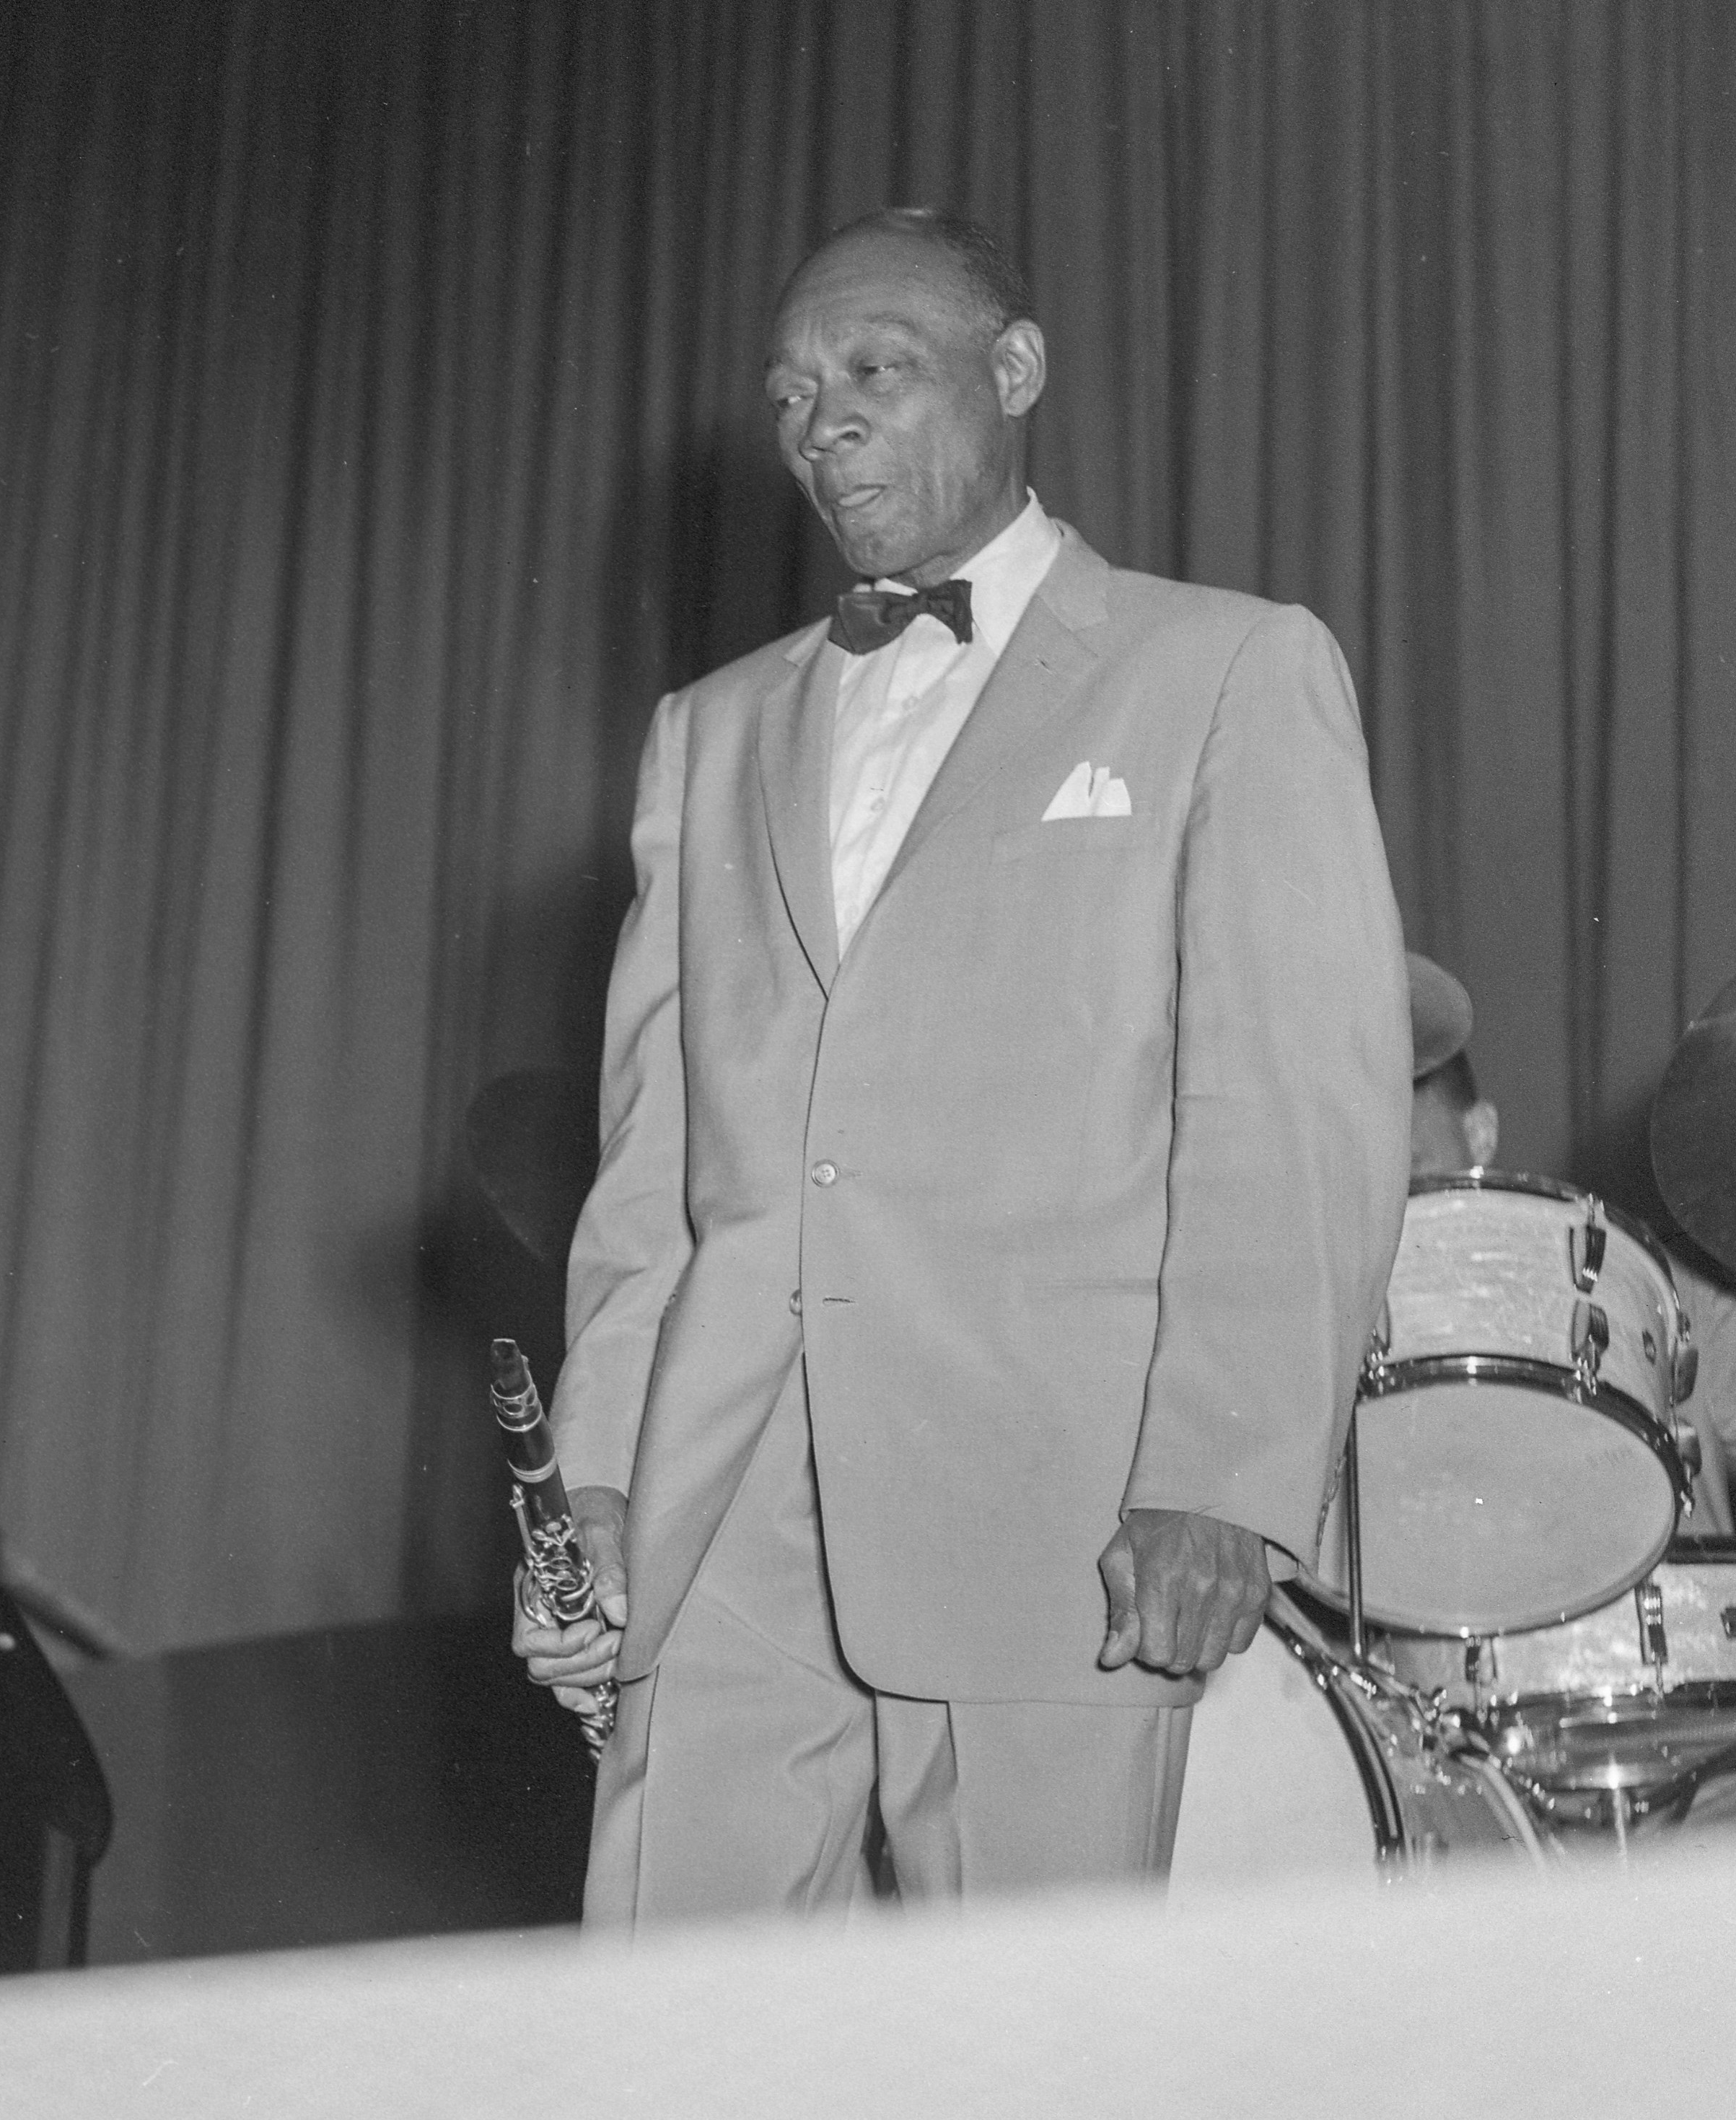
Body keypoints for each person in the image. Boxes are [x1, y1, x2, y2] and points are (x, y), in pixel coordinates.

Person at [512, 207, 1413, 1920]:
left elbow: (1292, 1117)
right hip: (726, 1508)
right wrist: (603, 1484)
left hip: (1055, 1508)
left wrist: (1220, 1480)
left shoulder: (1222, 668)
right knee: (672, 2036)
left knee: (1032, 2059)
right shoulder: (709, 730)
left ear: (1015, 373)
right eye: (789, 394)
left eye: (874, 369)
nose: (822, 421)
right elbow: (656, 1169)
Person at [1400, 954, 1736, 1815]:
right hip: (1462, 1793)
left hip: (1705, 1762)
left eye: (1417, 1164)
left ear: (1481, 1134)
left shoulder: (1636, 1279)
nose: (1400, 1207)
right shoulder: (1326, 1339)